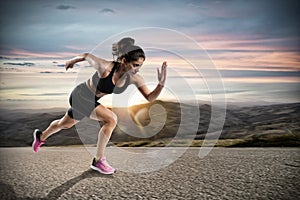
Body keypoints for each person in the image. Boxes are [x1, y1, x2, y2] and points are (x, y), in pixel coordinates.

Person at [32, 37, 167, 175]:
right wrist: (72, 61)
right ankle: (98, 161)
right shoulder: (106, 67)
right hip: (80, 95)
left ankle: (41, 137)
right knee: (111, 119)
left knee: (64, 124)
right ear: (125, 61)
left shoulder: (134, 78)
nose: (137, 70)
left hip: (91, 100)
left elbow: (150, 98)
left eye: (140, 66)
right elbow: (86, 56)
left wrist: (160, 84)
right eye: (135, 65)